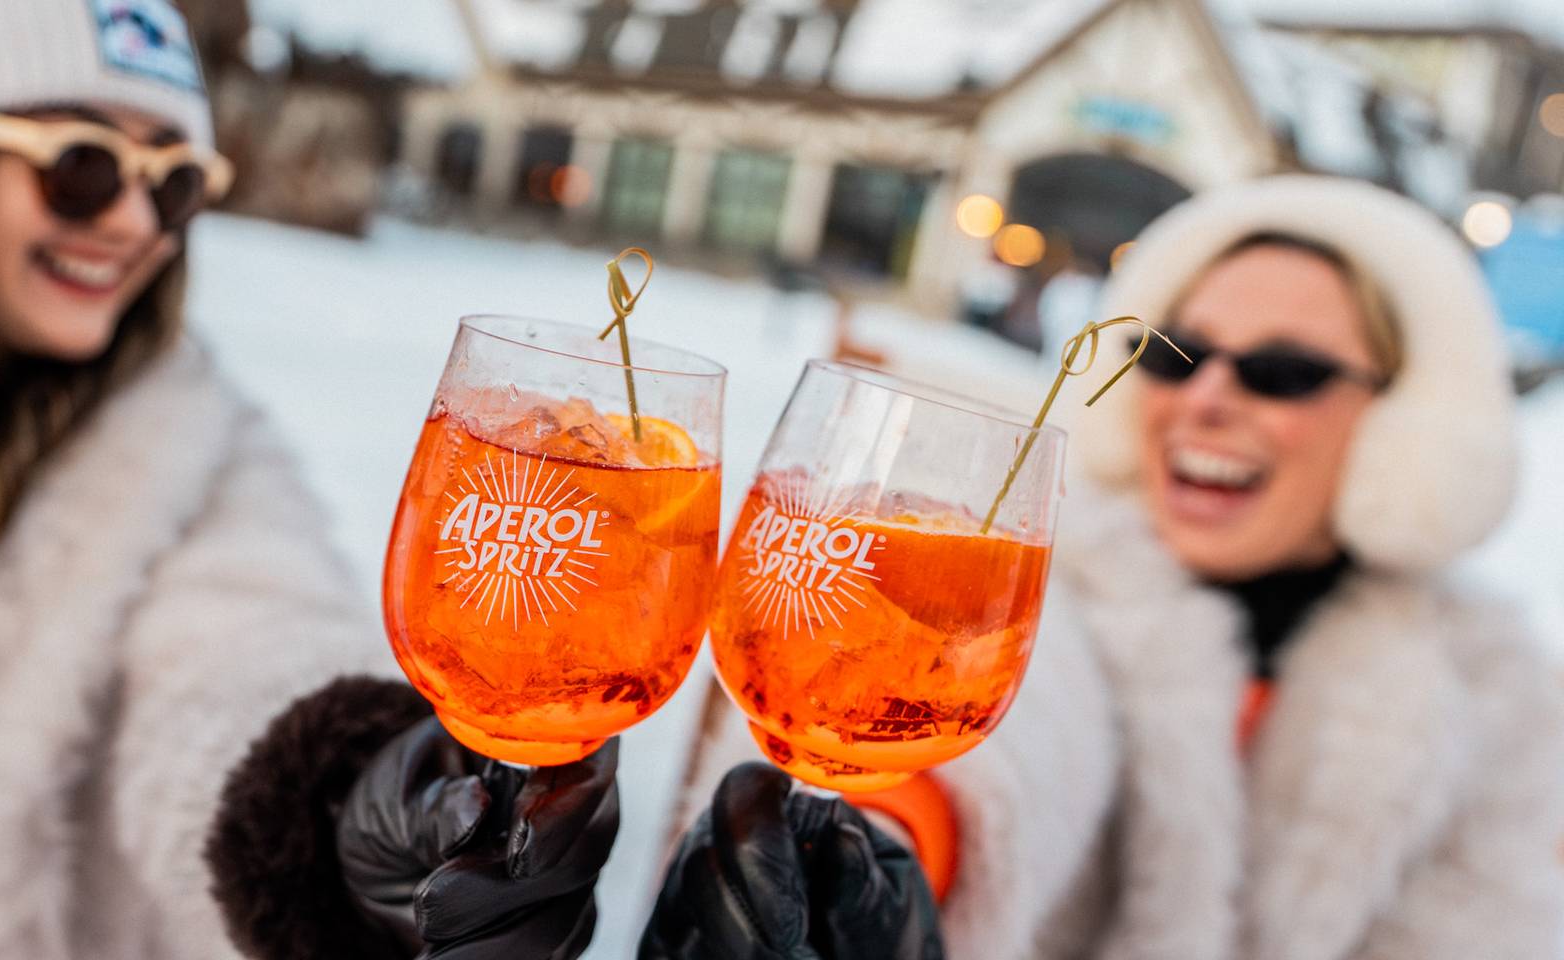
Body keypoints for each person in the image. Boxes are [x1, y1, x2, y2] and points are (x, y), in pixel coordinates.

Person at [0, 1, 613, 958]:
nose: (134, 221)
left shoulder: (186, 443)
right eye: (82, 167)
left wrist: (342, 813)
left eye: (175, 180)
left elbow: (241, 655)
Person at [650, 175, 1564, 959]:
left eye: (1282, 373)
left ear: (1406, 427)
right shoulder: (1036, 573)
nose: (1206, 399)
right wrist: (878, 856)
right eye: (1178, 357)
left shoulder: (1492, 691)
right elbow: (992, 739)